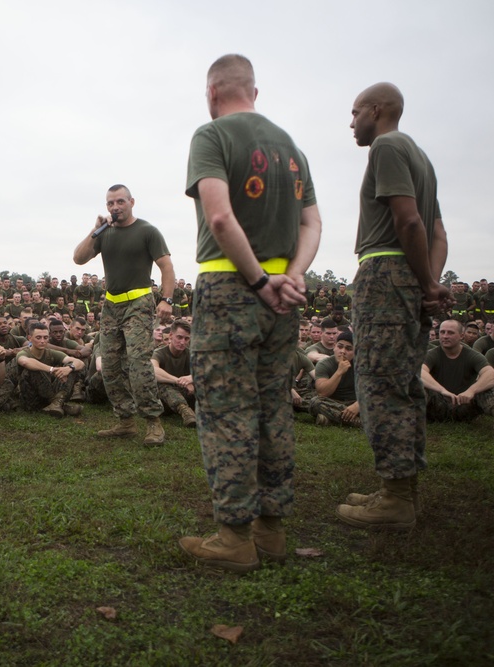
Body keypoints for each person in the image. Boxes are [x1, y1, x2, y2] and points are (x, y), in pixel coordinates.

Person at [178, 54, 321, 572]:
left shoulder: (212, 136)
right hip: (285, 293)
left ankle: (234, 537)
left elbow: (219, 217)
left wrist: (258, 281)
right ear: (253, 92)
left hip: (231, 287)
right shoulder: (292, 149)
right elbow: (311, 223)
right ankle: (272, 531)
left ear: (213, 92)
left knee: (226, 412)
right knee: (273, 408)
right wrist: (293, 276)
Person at [336, 82, 450, 531]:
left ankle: (395, 498)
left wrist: (424, 282)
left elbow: (408, 219)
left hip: (385, 274)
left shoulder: (385, 147)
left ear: (377, 110)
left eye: (356, 112)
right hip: (410, 278)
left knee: (380, 383)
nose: (352, 122)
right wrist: (431, 284)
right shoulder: (421, 157)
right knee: (404, 381)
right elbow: (438, 232)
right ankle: (402, 488)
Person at [73, 184, 175, 445]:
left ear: (131, 202)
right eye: (110, 203)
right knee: (110, 366)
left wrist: (167, 300)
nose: (115, 207)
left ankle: (153, 421)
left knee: (139, 364)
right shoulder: (104, 233)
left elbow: (166, 267)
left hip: (139, 303)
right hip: (111, 305)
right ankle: (125, 421)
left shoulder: (147, 231)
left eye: (120, 202)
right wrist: (95, 230)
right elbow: (79, 258)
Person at [421, 319, 494, 437]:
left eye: (450, 333)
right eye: (442, 332)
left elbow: (491, 375)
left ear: (461, 335)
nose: (445, 336)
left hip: (464, 405)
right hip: (436, 407)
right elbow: (420, 372)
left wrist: (471, 391)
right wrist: (442, 390)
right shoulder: (432, 354)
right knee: (418, 386)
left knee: (487, 388)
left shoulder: (471, 355)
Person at [151, 319, 196, 427]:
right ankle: (186, 412)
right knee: (161, 384)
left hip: (185, 394)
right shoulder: (159, 353)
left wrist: (192, 378)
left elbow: (205, 370)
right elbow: (153, 370)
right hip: (164, 400)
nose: (182, 342)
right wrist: (179, 381)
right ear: (171, 336)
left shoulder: (191, 354)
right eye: (179, 337)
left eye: (186, 339)